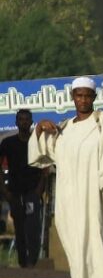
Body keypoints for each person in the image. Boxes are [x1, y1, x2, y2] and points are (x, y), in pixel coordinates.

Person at [29, 77, 103, 278]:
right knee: (75, 249)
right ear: (73, 97)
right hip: (69, 200)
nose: (83, 100)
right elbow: (43, 154)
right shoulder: (64, 128)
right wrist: (40, 128)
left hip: (95, 196)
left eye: (87, 96)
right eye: (78, 95)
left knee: (101, 244)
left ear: (93, 97)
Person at [0, 109, 45, 268]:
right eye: (21, 119)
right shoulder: (8, 143)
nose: (24, 122)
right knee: (19, 227)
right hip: (14, 192)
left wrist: (40, 188)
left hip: (33, 191)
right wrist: (4, 191)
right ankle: (22, 262)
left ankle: (32, 260)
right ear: (16, 122)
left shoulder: (38, 141)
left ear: (31, 122)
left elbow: (45, 166)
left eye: (27, 119)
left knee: (33, 226)